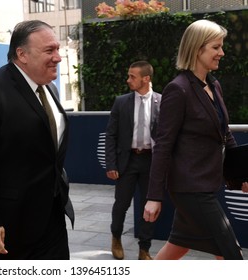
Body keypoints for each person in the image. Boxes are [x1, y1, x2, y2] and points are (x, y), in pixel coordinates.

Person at [0, 19, 75, 260]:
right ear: (22, 54)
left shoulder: (49, 89)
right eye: (49, 50)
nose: (58, 57)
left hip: (49, 217)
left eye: (58, 49)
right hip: (5, 227)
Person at [143, 19, 248, 260]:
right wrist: (154, 197)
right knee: (232, 254)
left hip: (206, 184)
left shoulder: (214, 85)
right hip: (190, 189)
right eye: (216, 47)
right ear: (197, 48)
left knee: (178, 246)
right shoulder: (177, 90)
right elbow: (163, 146)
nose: (221, 53)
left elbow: (225, 134)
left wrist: (242, 175)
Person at [105, 61, 161, 260]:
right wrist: (110, 164)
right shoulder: (121, 102)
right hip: (127, 162)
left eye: (132, 76)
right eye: (128, 76)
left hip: (151, 162)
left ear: (146, 79)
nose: (128, 80)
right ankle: (116, 238)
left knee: (150, 207)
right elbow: (110, 135)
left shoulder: (162, 102)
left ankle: (144, 249)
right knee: (121, 204)